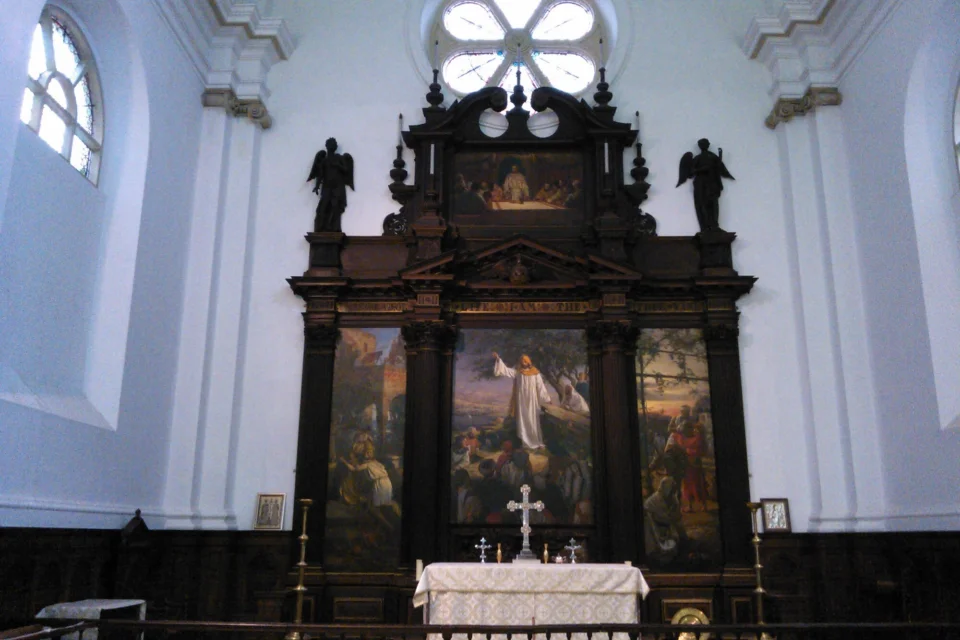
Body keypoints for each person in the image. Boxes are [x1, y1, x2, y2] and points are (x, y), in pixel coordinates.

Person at [492, 352, 552, 449]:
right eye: (522, 361)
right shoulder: (518, 372)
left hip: (532, 400)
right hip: (522, 401)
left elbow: (541, 387)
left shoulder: (536, 373)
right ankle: (526, 443)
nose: (523, 362)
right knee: (523, 420)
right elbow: (506, 370)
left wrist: (547, 399)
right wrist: (498, 359)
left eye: (525, 361)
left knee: (533, 419)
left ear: (528, 362)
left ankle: (536, 441)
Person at [676, 138, 735, 232]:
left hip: (711, 182)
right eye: (702, 144)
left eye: (705, 143)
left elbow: (719, 167)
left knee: (713, 203)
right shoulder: (697, 158)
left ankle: (714, 224)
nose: (704, 145)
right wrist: (702, 169)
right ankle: (706, 225)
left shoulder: (713, 157)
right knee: (703, 203)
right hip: (701, 183)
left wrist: (717, 164)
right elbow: (691, 172)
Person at [306, 137, 354, 232]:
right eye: (331, 144)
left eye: (334, 144)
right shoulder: (324, 160)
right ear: (327, 146)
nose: (333, 145)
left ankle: (333, 226)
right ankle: (321, 226)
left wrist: (338, 165)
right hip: (327, 186)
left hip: (338, 186)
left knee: (335, 206)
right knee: (324, 205)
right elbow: (320, 174)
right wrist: (317, 186)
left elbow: (346, 170)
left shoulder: (339, 158)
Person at [643, 476, 685, 565]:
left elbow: (676, 515)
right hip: (654, 527)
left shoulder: (672, 498)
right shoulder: (655, 500)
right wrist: (671, 519)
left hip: (667, 527)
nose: (672, 493)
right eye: (671, 489)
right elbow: (661, 516)